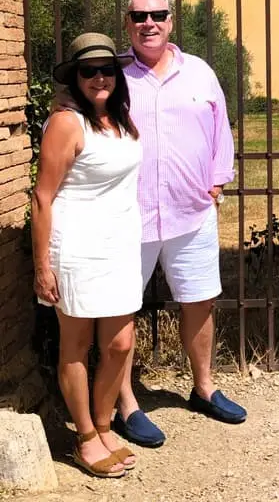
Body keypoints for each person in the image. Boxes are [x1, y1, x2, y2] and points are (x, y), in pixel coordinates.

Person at [112, 0, 246, 449]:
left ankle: (204, 387)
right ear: (127, 23)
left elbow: (220, 127)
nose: (149, 23)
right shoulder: (114, 76)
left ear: (171, 21)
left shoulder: (201, 73)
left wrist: (219, 178)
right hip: (130, 213)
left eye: (158, 14)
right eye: (139, 16)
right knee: (120, 307)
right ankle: (125, 401)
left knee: (199, 299)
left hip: (191, 212)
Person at [32, 33, 142, 479]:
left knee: (120, 343)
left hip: (118, 247)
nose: (100, 77)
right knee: (76, 346)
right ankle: (85, 436)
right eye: (89, 70)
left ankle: (103, 423)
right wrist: (42, 266)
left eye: (108, 69)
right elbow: (42, 198)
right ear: (75, 79)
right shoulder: (66, 122)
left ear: (118, 75)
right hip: (76, 248)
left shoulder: (120, 119)